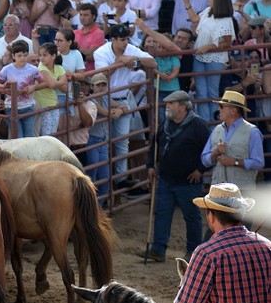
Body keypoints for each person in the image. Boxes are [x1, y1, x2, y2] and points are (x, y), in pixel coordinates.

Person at [144, 91, 211, 262]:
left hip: (188, 181)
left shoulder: (198, 126)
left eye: (171, 103)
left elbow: (209, 151)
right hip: (166, 178)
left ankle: (193, 251)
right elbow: (155, 146)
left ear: (182, 107)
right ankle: (158, 249)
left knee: (191, 216)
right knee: (162, 213)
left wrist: (200, 170)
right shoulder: (165, 124)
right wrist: (150, 165)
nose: (167, 106)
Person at [93, 24, 156, 184]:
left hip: (123, 99)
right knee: (104, 142)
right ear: (113, 40)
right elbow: (102, 77)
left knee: (122, 141)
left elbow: (153, 63)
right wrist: (119, 62)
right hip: (105, 99)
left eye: (127, 39)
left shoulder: (131, 49)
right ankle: (105, 181)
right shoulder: (101, 52)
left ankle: (120, 178)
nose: (125, 42)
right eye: (122, 39)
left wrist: (135, 59)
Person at [182, 0, 236, 121]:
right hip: (200, 56)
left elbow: (227, 42)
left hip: (215, 59)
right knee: (201, 92)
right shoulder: (207, 11)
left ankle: (213, 123)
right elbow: (195, 19)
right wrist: (187, 3)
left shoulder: (226, 20)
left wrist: (209, 47)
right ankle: (204, 122)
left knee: (212, 92)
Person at [200, 90, 263, 191]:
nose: (219, 109)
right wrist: (215, 153)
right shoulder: (216, 130)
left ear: (233, 111)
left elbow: (258, 163)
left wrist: (235, 162)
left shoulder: (252, 132)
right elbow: (205, 160)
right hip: (219, 191)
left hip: (242, 192)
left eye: (221, 106)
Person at [0, 40, 43, 138]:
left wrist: (34, 87)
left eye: (25, 55)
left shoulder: (33, 69)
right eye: (19, 56)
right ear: (13, 56)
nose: (22, 58)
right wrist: (3, 86)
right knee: (18, 136)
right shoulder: (7, 69)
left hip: (28, 106)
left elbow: (43, 82)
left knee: (28, 136)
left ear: (28, 55)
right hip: (11, 107)